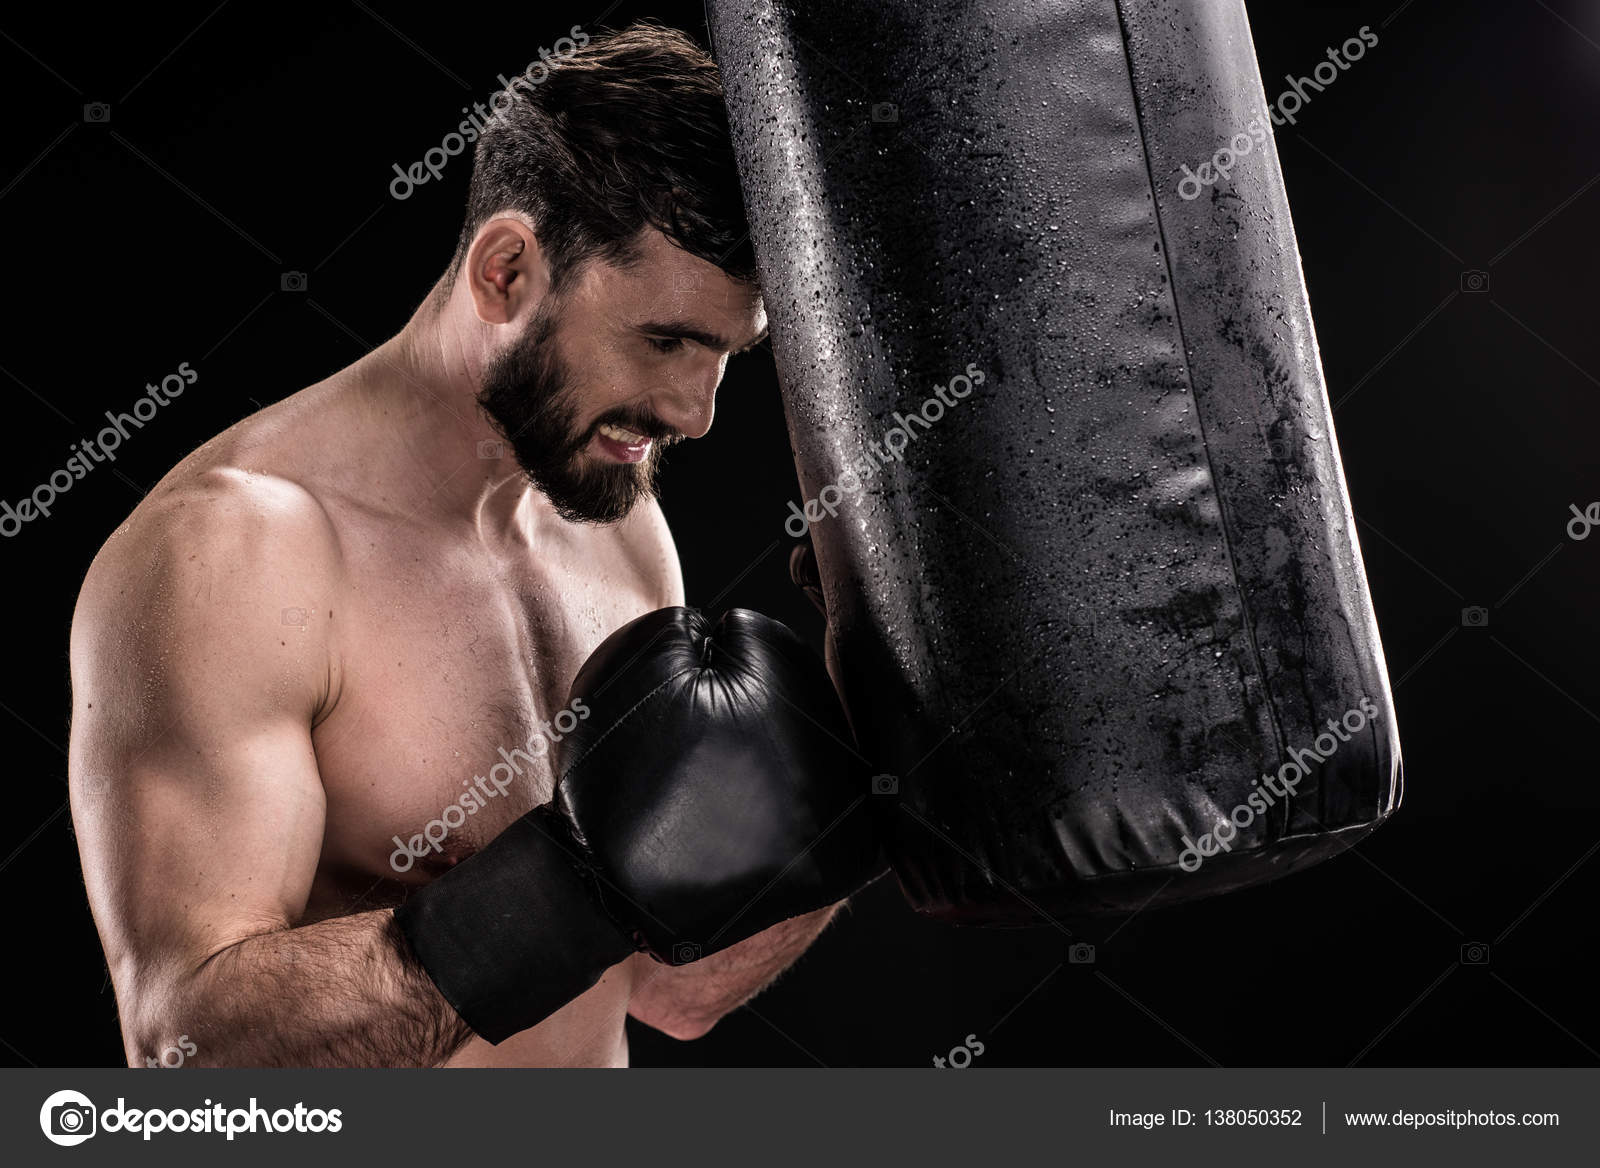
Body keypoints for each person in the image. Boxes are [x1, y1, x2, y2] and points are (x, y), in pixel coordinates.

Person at [67, 23, 867, 1068]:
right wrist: (564, 890)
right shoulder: (235, 554)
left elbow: (671, 991)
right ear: (504, 272)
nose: (695, 409)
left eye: (727, 353)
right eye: (663, 338)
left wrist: (868, 772)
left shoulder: (617, 523)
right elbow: (188, 1054)